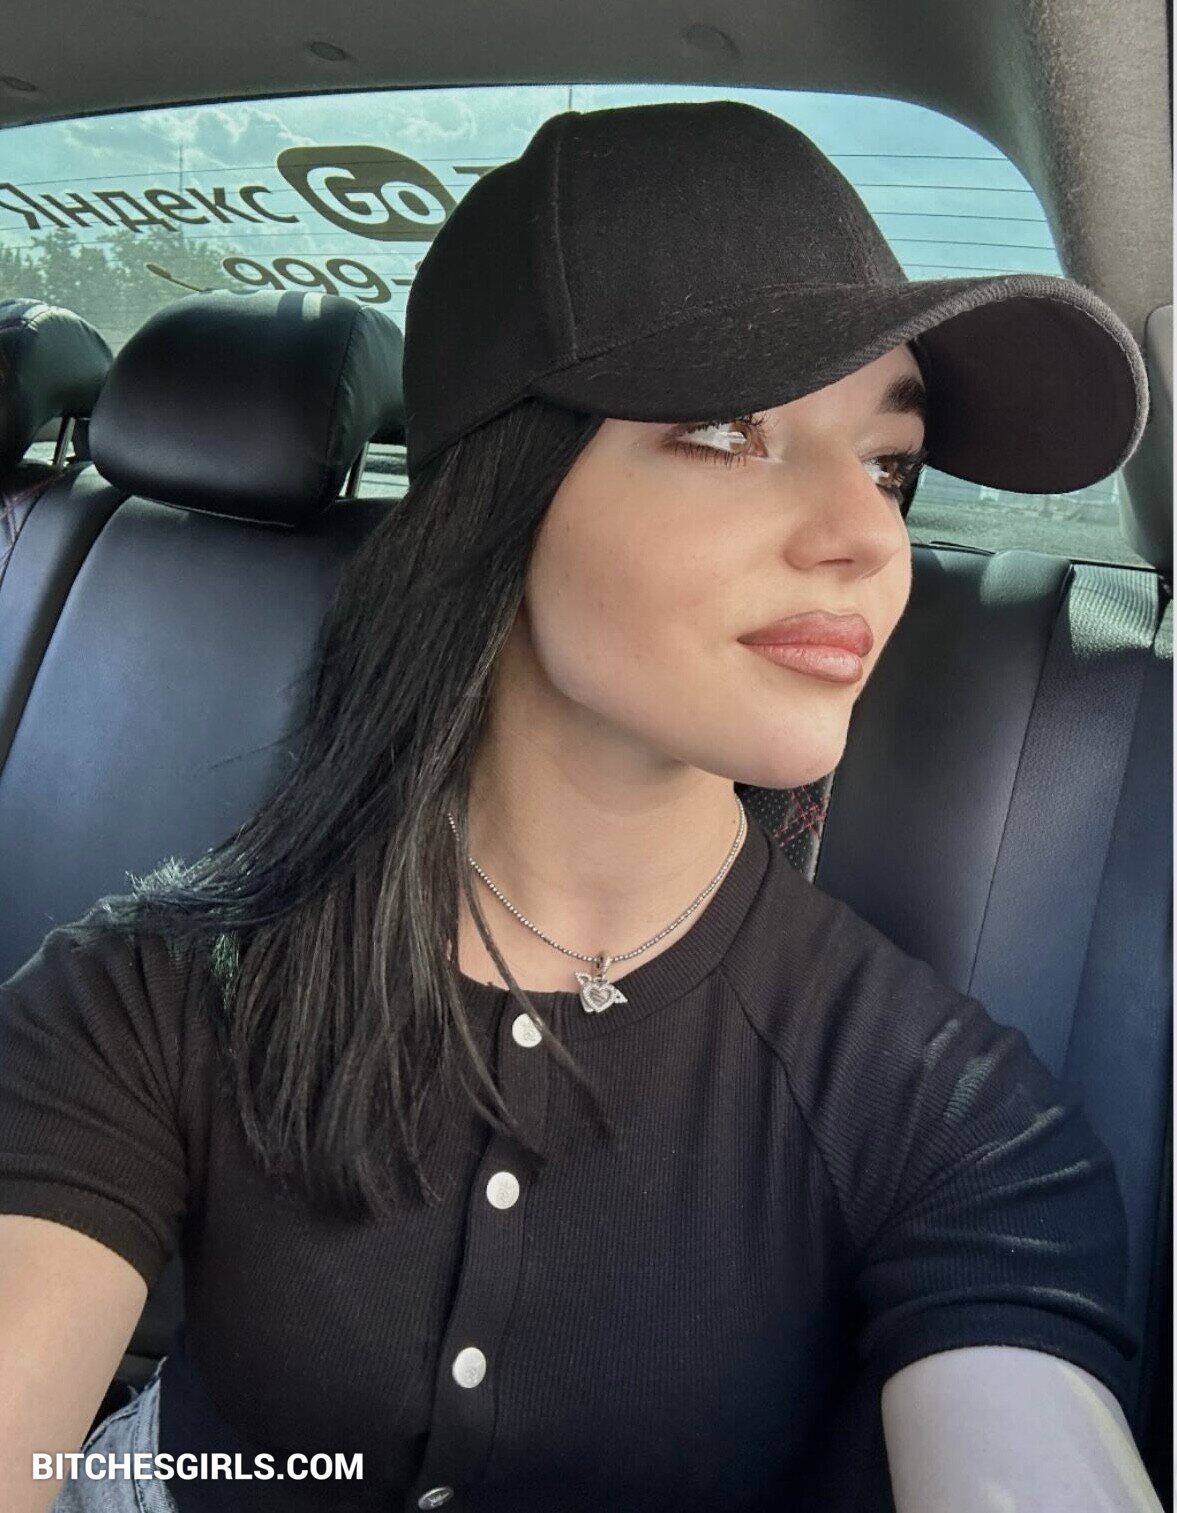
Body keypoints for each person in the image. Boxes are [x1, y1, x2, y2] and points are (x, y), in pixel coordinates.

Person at [0, 100, 1160, 1513]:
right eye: (729, 431)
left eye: (889, 465)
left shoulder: (944, 1113)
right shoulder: (156, 995)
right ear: (497, 496)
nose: (866, 534)